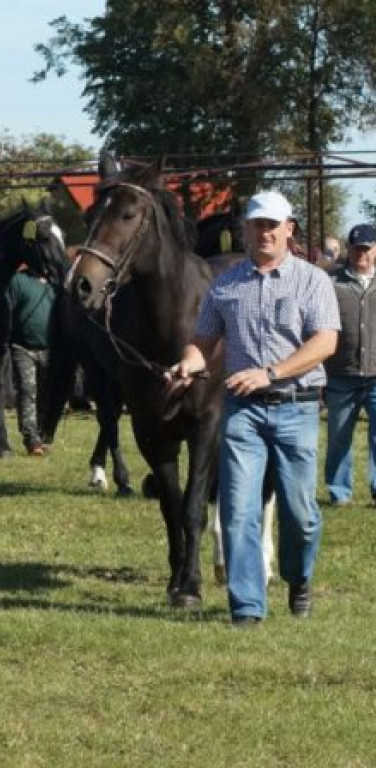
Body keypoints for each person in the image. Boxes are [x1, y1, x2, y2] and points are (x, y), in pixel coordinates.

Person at [168, 190, 339, 626]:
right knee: (238, 509)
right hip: (242, 412)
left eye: (271, 225)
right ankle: (247, 607)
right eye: (256, 224)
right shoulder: (225, 285)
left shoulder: (312, 280)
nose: (263, 232)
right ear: (244, 230)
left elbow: (325, 342)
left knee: (299, 514)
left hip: (297, 409)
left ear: (288, 229)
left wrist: (272, 371)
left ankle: (298, 577)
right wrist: (187, 365)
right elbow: (203, 342)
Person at [325, 223, 376, 506]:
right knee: (338, 437)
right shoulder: (332, 283)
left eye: (367, 249)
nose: (362, 255)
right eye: (357, 249)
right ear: (349, 249)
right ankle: (338, 492)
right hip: (341, 374)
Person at [5, 265, 55, 456]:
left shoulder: (55, 285)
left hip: (50, 349)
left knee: (47, 395)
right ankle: (31, 440)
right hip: (22, 348)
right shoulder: (18, 281)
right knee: (27, 391)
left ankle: (41, 435)